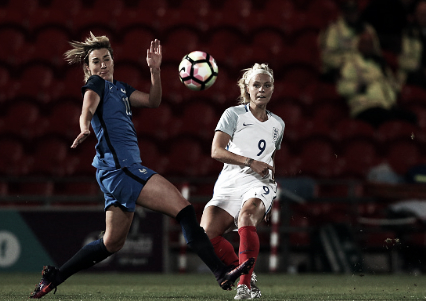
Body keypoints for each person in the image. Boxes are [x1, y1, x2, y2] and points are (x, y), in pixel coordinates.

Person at [29, 32, 254, 299]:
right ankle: (221, 272)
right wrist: (84, 126)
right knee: (184, 211)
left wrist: (155, 72)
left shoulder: (121, 89)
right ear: (87, 68)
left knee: (112, 242)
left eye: (106, 59)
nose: (102, 65)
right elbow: (86, 107)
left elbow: (153, 101)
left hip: (113, 172)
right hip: (122, 169)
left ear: (113, 60)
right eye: (96, 61)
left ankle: (53, 277)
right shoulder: (96, 85)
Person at [200, 63, 284, 300]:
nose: (261, 89)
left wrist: (265, 201)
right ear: (247, 88)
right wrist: (249, 161)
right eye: (256, 85)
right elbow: (216, 151)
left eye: (267, 85)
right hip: (230, 181)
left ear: (273, 88)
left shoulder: (278, 124)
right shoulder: (233, 114)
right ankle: (247, 269)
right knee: (205, 236)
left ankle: (244, 287)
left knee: (246, 217)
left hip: (259, 183)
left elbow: (270, 160)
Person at [337, 30, 417, 128]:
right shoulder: (350, 64)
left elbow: (395, 85)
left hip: (386, 106)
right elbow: (342, 87)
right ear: (358, 45)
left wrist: (396, 88)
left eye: (370, 43)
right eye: (365, 43)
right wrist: (359, 87)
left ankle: (411, 140)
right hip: (365, 106)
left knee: (411, 119)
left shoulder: (380, 64)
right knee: (388, 120)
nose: (368, 46)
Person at [319, 0, 382, 82]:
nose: (352, 14)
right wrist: (345, 62)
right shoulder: (334, 30)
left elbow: (377, 53)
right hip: (341, 71)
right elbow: (326, 57)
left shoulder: (367, 29)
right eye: (349, 11)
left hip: (364, 70)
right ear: (343, 12)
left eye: (354, 11)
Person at [398, 0, 426, 87]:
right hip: (412, 74)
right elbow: (402, 60)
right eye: (421, 13)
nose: (423, 17)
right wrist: (420, 68)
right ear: (415, 14)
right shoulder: (408, 32)